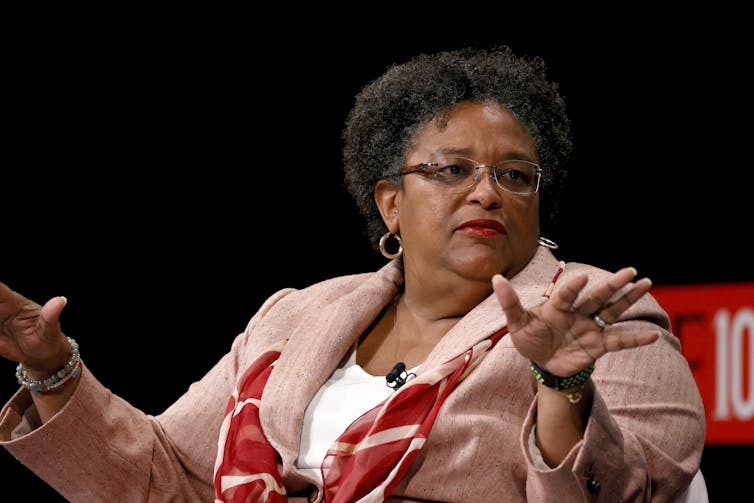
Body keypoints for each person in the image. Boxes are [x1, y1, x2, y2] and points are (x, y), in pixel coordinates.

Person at [0, 46, 705, 502]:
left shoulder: (598, 315)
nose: (488, 191)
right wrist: (56, 368)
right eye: (453, 170)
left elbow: (634, 492)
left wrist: (563, 384)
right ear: (390, 203)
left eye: (513, 175)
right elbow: (165, 476)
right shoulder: (295, 315)